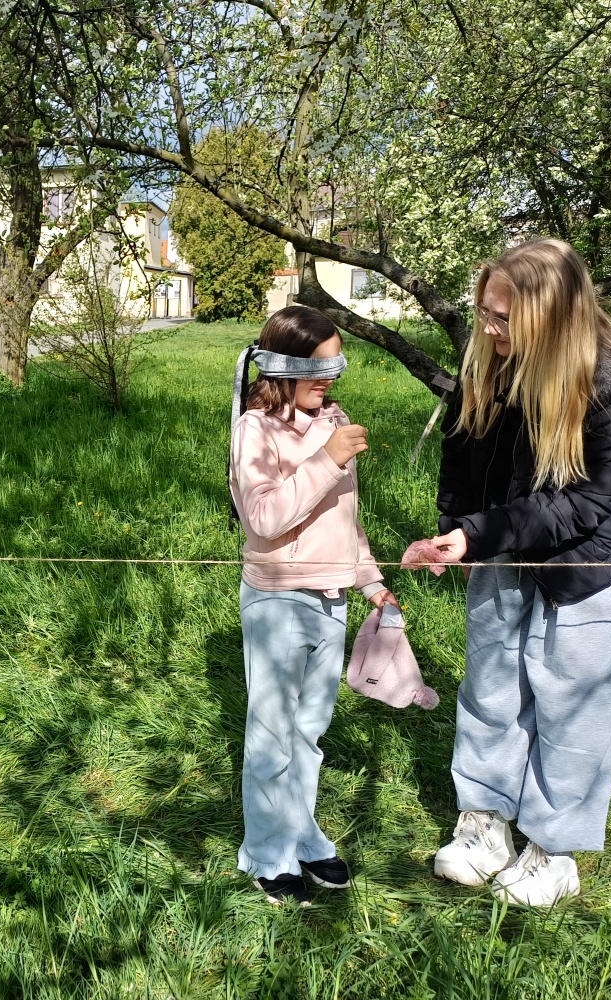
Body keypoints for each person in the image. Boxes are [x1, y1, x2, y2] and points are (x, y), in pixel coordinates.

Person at [423, 238, 611, 906]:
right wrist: (457, 530)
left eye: (502, 318)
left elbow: (582, 503)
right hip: (501, 538)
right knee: (490, 685)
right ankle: (484, 824)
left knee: (573, 702)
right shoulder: (488, 363)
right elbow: (460, 452)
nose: (486, 328)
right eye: (483, 311)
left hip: (593, 558)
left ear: (551, 319)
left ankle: (551, 850)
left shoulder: (607, 381)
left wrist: (479, 533)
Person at [229, 305, 398, 906]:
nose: (328, 380)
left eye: (336, 367)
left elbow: (343, 519)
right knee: (271, 734)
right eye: (318, 368)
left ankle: (301, 833)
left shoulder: (334, 419)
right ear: (282, 366)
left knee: (309, 731)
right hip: (278, 599)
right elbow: (264, 516)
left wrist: (370, 580)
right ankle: (266, 851)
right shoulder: (255, 430)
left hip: (332, 599)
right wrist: (328, 460)